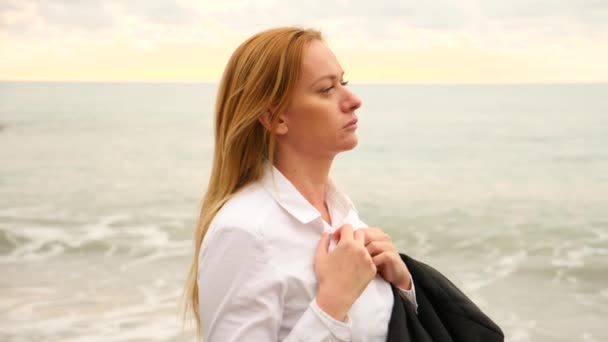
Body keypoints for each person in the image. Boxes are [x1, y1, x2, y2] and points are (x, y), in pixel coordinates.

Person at [183, 26, 419, 341]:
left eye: (344, 82)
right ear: (275, 118)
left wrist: (403, 287)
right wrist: (333, 302)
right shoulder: (245, 231)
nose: (353, 100)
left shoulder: (341, 212)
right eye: (326, 89)